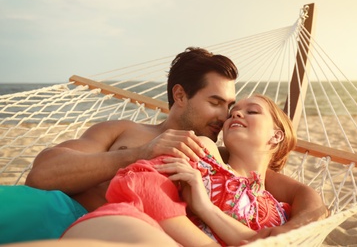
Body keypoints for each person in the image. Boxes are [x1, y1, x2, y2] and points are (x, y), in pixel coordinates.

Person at [0, 47, 326, 244]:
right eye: (216, 102)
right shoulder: (123, 130)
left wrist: (293, 231)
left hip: (121, 235)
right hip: (54, 210)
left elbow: (306, 197)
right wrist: (141, 153)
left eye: (231, 104)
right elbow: (41, 175)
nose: (226, 114)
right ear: (181, 95)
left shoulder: (223, 159)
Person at [61, 94, 297, 246]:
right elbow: (142, 183)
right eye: (234, 110)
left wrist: (204, 207)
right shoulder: (204, 152)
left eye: (252, 111)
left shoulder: (280, 211)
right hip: (127, 230)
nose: (235, 113)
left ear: (276, 135)